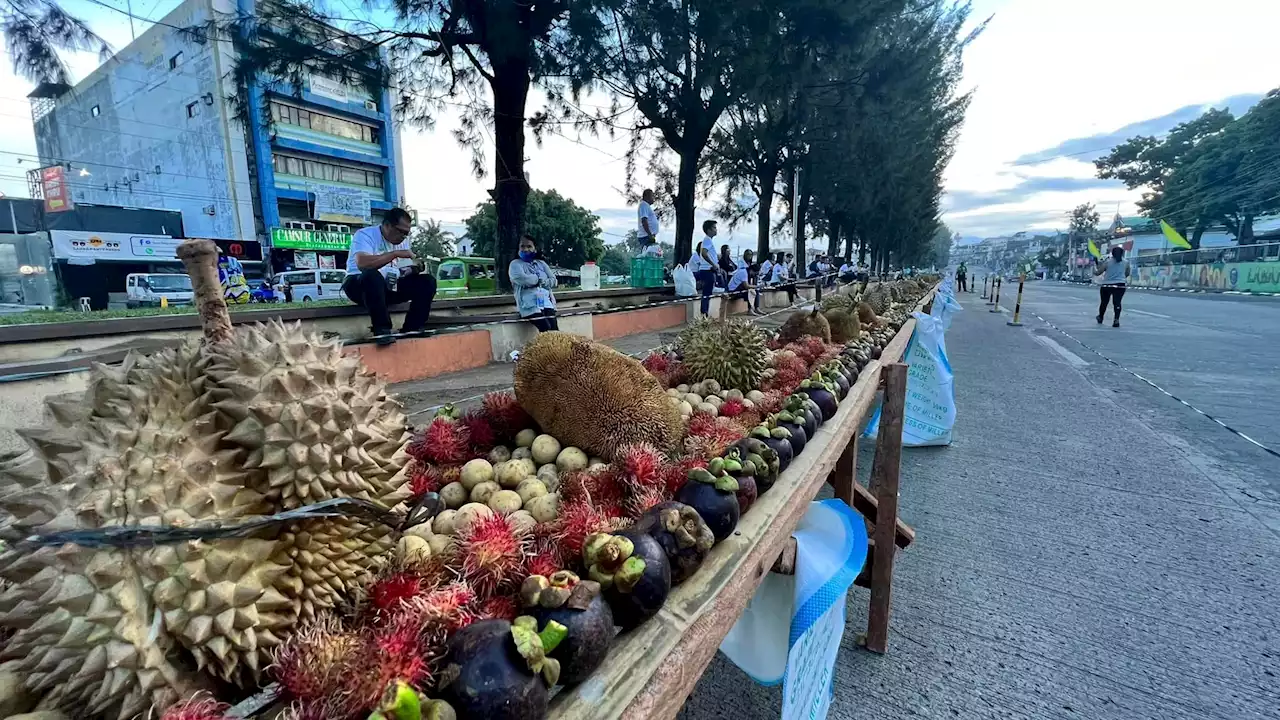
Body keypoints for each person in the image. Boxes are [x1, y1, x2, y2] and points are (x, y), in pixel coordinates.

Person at [343, 207, 437, 346]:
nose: (403, 237)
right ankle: (382, 329)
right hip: (360, 285)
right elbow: (363, 264)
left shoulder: (403, 241)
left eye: (407, 233)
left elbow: (400, 271)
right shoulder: (365, 235)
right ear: (387, 225)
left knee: (427, 282)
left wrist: (414, 269)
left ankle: (412, 328)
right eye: (401, 232)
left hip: (388, 285)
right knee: (371, 276)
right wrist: (394, 254)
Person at [510, 235, 559, 332]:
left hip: (546, 302)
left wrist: (541, 281)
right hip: (529, 305)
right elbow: (524, 280)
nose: (525, 249)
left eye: (529, 246)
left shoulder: (541, 264)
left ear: (535, 249)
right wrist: (540, 279)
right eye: (522, 246)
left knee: (554, 331)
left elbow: (554, 281)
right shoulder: (515, 264)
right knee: (546, 329)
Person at [1094, 245, 1130, 327]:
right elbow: (1127, 273)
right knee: (1117, 302)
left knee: (1104, 302)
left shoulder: (1107, 262)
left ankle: (1100, 317)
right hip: (1120, 285)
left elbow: (1098, 272)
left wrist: (1095, 269)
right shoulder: (1126, 262)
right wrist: (1120, 277)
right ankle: (1116, 320)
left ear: (1112, 254)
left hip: (1107, 285)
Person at [689, 220, 719, 316]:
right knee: (706, 293)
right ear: (709, 230)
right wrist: (713, 264)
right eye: (714, 227)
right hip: (707, 270)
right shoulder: (707, 240)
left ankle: (705, 312)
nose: (716, 230)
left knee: (708, 293)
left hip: (709, 270)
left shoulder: (709, 240)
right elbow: (704, 253)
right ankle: (704, 313)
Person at [726, 249, 763, 315]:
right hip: (732, 292)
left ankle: (756, 308)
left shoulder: (747, 271)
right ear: (751, 271)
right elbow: (746, 286)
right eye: (754, 274)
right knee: (749, 290)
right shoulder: (743, 272)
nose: (753, 276)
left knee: (754, 290)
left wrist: (756, 287)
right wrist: (758, 286)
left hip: (738, 290)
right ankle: (750, 310)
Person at [637, 189, 661, 257]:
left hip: (648, 236)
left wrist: (657, 216)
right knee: (648, 256)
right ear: (647, 196)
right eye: (652, 196)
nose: (654, 198)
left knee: (651, 255)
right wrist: (650, 234)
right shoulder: (643, 205)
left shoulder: (646, 206)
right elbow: (644, 220)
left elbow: (650, 220)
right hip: (646, 236)